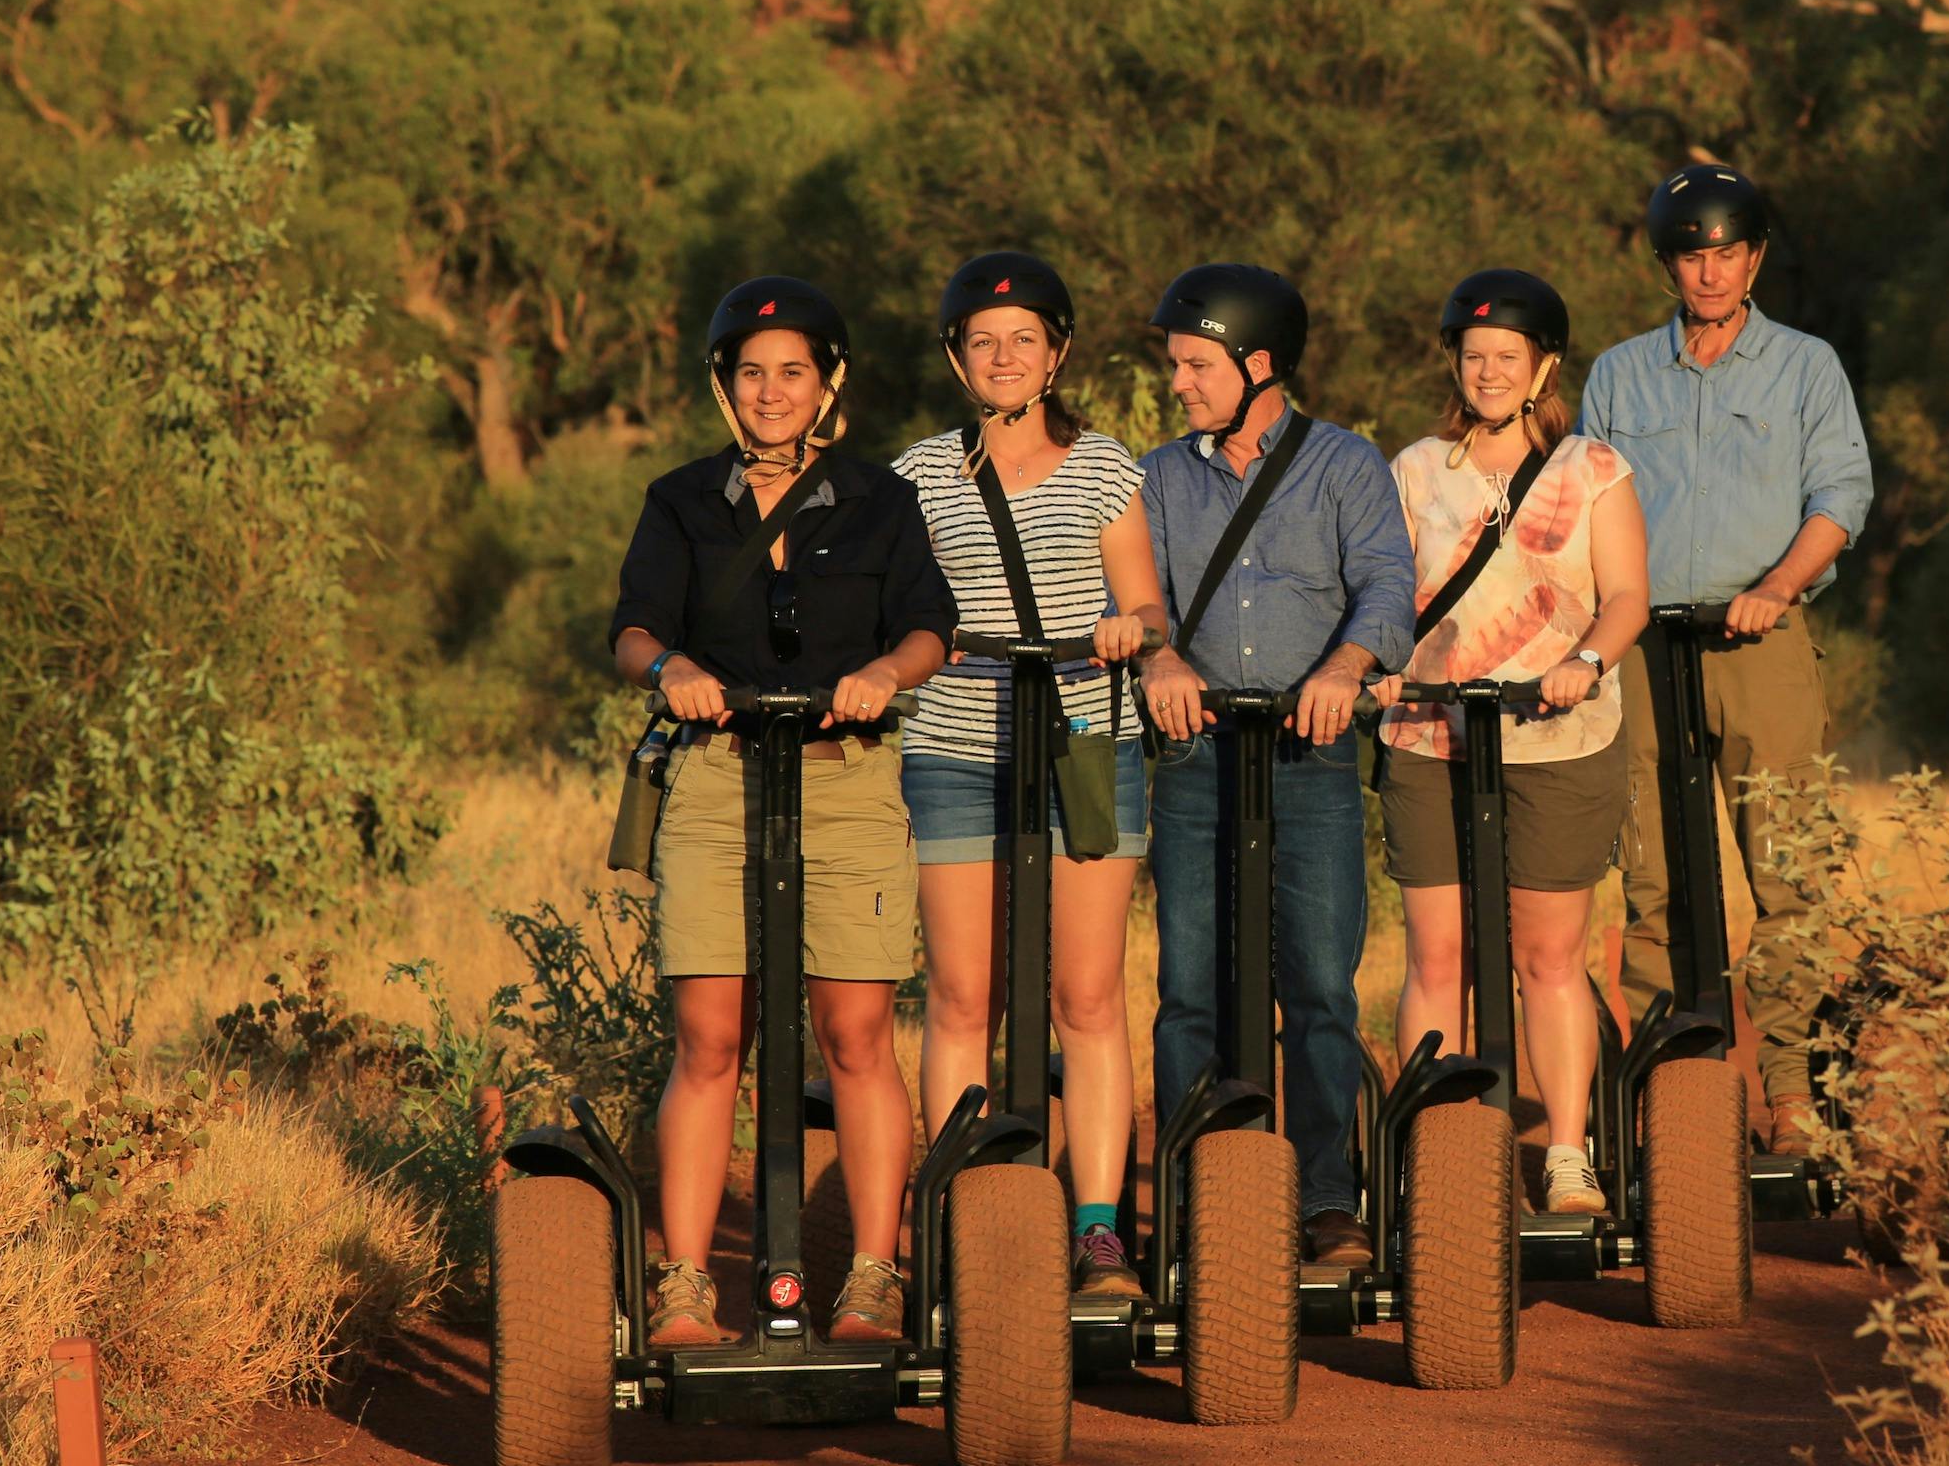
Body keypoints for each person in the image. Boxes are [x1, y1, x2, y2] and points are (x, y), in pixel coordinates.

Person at [607, 276, 953, 1348]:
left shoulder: (881, 499)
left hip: (845, 778)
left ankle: (873, 1279)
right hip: (718, 776)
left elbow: (930, 627)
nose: (771, 390)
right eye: (751, 371)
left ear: (827, 382)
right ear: (724, 384)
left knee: (856, 1033)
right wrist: (669, 669)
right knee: (711, 1036)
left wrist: (885, 674)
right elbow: (632, 628)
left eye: (791, 371)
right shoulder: (680, 499)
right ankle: (683, 1283)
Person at [1576, 165, 1873, 1156]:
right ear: (1669, 265)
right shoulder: (1620, 373)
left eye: (1728, 253)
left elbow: (1842, 496)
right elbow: (1581, 505)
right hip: (1641, 649)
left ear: (1755, 259)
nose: (1710, 272)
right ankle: (1677, 1095)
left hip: (1761, 644)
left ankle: (1791, 1091)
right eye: (1692, 255)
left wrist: (1777, 586)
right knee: (1654, 878)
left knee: (1788, 874)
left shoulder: (1805, 366)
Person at [892, 251, 1163, 1300]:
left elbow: (1146, 603)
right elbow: (897, 608)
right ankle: (963, 1217)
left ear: (1057, 354)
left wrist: (1127, 627)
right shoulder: (920, 474)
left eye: (1023, 340)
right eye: (983, 340)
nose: (1004, 357)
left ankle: (1098, 1230)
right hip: (957, 745)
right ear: (957, 357)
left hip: (1085, 743)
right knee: (963, 993)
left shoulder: (1103, 468)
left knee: (1085, 994)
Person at [1137, 263, 1416, 1269]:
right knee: (1190, 989)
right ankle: (1194, 1197)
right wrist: (1158, 656)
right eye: (1176, 365)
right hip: (1199, 752)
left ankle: (1328, 1196)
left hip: (1309, 752)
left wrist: (1345, 667)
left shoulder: (1344, 463)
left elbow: (1387, 582)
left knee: (1321, 986)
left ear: (1258, 364)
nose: (1179, 383)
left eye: (1196, 365)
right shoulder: (1160, 476)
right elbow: (1136, 594)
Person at [1370, 270, 1648, 1219]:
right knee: (1437, 953)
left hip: (1559, 735)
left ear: (1544, 368)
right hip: (1429, 732)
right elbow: (1383, 592)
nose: (1489, 372)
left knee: (1548, 954)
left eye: (1508, 357)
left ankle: (1566, 1152)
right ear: (1455, 363)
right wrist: (1377, 664)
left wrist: (1587, 660)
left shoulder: (1593, 468)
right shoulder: (1415, 469)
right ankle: (1437, 1154)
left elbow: (1627, 597)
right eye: (1474, 355)